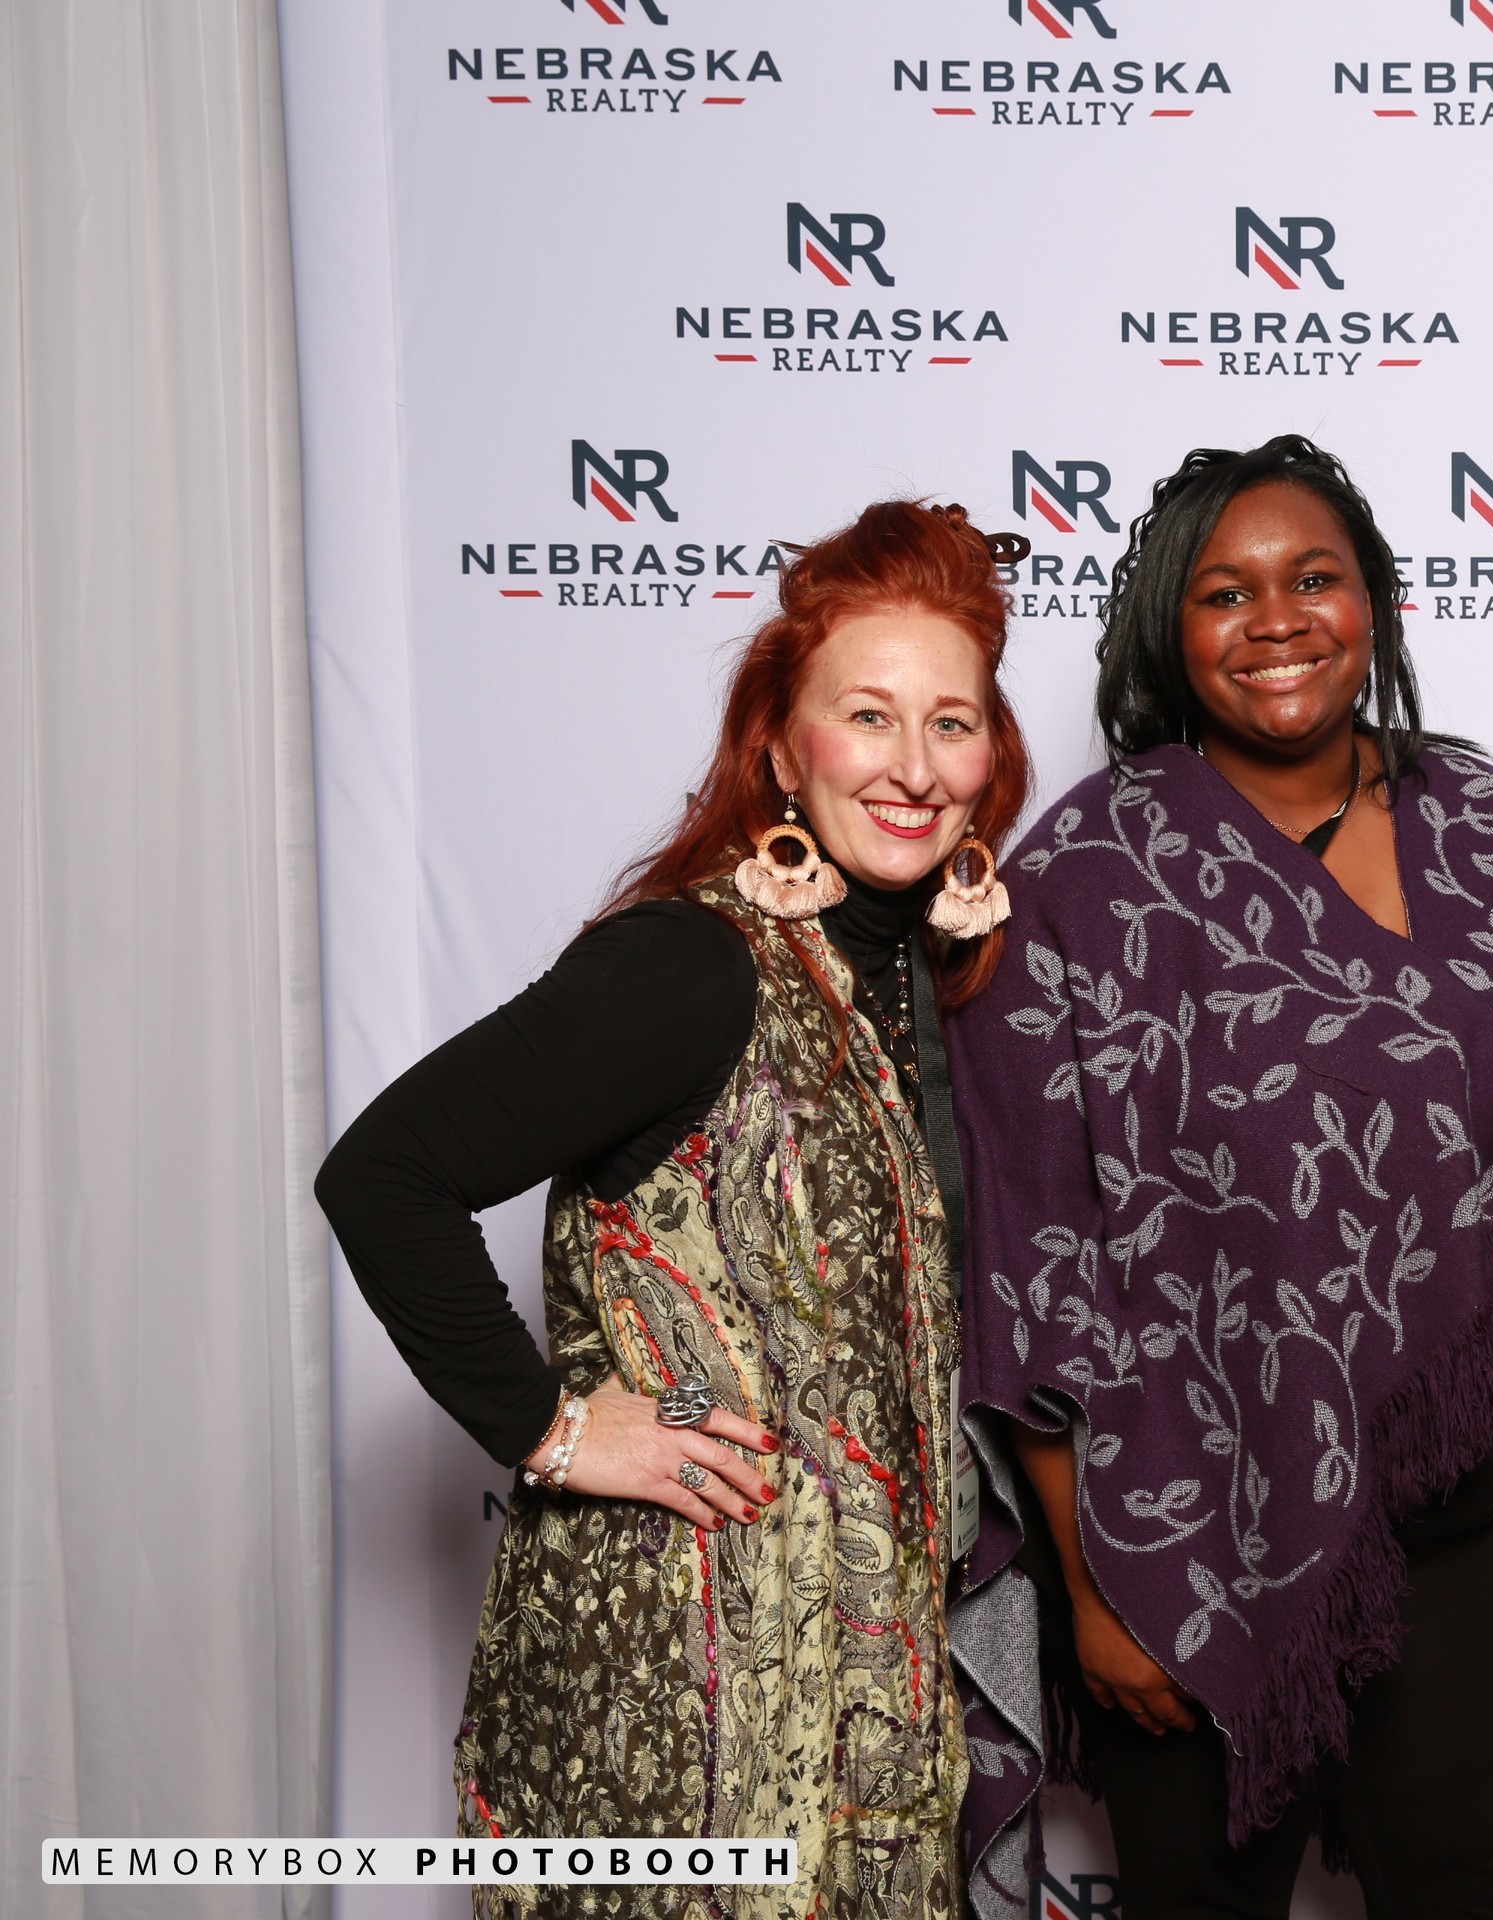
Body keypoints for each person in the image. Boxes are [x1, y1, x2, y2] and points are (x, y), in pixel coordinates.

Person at [315, 501, 1048, 1920]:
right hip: (674, 1682)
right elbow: (384, 1174)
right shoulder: (693, 965)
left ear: (990, 759)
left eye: (951, 724)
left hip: (865, 1682)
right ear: (780, 746)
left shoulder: (919, 985)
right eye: (869, 716)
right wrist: (550, 1426)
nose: (913, 768)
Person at [950, 437, 1493, 1920]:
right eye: (1226, 592)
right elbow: (1033, 1260)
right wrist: (1094, 1586)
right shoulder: (1085, 877)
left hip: (1469, 1518)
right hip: (1191, 1532)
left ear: (1374, 605)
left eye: (1313, 578)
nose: (1276, 619)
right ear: (1171, 631)